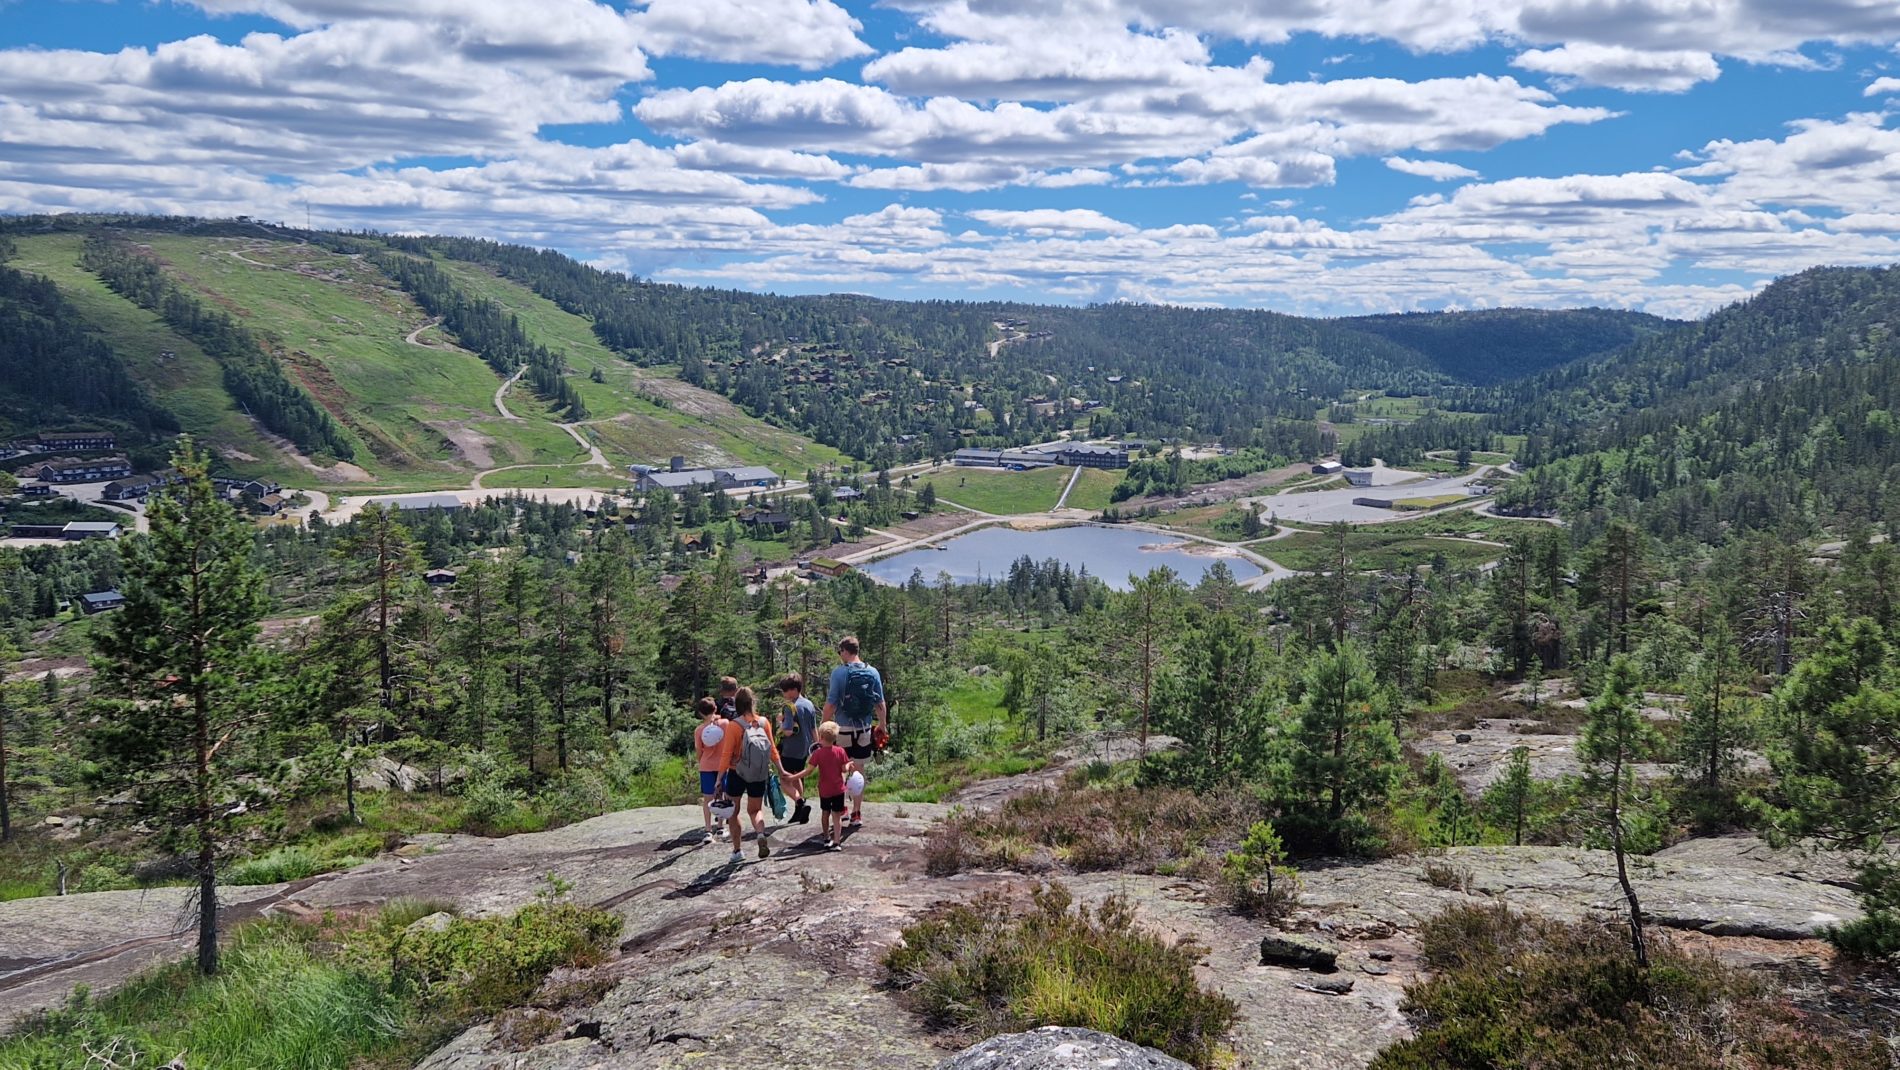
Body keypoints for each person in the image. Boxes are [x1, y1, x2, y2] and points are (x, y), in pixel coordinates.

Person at [714, 687, 788, 863]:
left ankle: (737, 850)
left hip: (736, 772)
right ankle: (761, 834)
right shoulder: (763, 722)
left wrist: (719, 778)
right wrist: (781, 769)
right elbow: (772, 749)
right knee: (755, 810)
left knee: (734, 812)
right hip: (758, 772)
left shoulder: (734, 725)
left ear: (736, 705)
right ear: (753, 703)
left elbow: (726, 755)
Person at [823, 636, 887, 830]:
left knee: (841, 769)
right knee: (859, 769)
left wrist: (823, 725)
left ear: (844, 651)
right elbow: (880, 703)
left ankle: (841, 807)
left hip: (843, 728)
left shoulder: (839, 673)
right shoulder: (872, 671)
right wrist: (882, 725)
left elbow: (831, 703)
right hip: (864, 729)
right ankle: (856, 812)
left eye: (839, 651)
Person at [782, 721, 858, 851]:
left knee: (825, 814)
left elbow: (808, 771)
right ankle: (837, 842)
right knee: (836, 815)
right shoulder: (840, 751)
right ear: (835, 737)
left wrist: (792, 777)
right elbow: (844, 770)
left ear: (821, 737)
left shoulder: (818, 753)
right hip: (838, 789)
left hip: (825, 790)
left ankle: (826, 838)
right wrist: (849, 765)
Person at [776, 673, 819, 824]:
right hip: (804, 749)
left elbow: (787, 731)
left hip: (790, 749)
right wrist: (817, 746)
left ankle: (800, 802)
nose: (784, 694)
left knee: (784, 780)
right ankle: (799, 811)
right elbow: (814, 728)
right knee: (797, 777)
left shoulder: (790, 707)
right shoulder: (809, 704)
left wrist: (780, 722)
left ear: (793, 690)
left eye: (785, 691)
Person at [692, 696, 734, 845]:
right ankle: (721, 827)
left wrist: (702, 761)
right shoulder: (725, 723)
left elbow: (699, 752)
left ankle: (708, 830)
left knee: (707, 798)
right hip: (723, 765)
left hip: (706, 765)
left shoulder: (699, 730)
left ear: (701, 713)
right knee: (722, 795)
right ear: (715, 709)